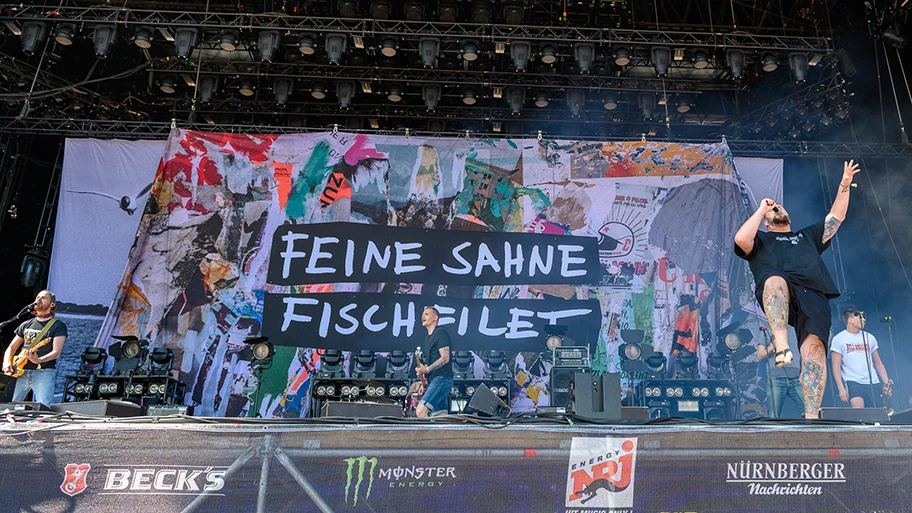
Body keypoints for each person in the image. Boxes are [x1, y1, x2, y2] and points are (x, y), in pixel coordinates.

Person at [734, 160, 860, 419]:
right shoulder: (761, 239)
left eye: (780, 207)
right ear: (767, 223)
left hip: (812, 294)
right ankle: (781, 344)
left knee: (815, 352)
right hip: (777, 292)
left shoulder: (807, 236)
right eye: (773, 210)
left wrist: (844, 184)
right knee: (774, 281)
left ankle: (812, 416)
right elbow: (740, 240)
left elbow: (836, 217)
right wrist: (761, 209)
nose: (777, 208)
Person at [2, 290, 68, 406]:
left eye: (43, 298)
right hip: (20, 372)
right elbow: (11, 347)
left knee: (43, 408)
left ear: (52, 304)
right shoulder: (26, 324)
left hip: (43, 372)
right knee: (8, 406)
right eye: (37, 297)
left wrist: (38, 360)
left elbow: (56, 352)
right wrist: (6, 362)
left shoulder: (58, 326)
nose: (38, 300)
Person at [830, 309, 891, 408]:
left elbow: (878, 362)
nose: (864, 320)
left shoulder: (869, 337)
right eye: (860, 317)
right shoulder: (839, 339)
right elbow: (835, 365)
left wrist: (886, 382)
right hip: (853, 381)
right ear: (850, 320)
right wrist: (840, 387)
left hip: (873, 381)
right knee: (859, 412)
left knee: (879, 413)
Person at [757, 326, 805, 418]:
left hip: (796, 377)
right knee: (774, 415)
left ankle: (811, 432)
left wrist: (803, 371)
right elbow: (760, 355)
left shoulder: (795, 328)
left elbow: (803, 352)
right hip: (776, 378)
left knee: (808, 411)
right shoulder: (766, 330)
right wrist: (772, 346)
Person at [414, 307, 453, 418]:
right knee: (441, 416)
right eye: (422, 314)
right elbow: (431, 362)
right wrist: (423, 381)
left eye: (426, 314)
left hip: (441, 379)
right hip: (435, 380)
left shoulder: (440, 333)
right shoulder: (428, 338)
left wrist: (426, 369)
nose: (423, 316)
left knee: (420, 412)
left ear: (435, 318)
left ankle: (428, 435)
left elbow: (445, 358)